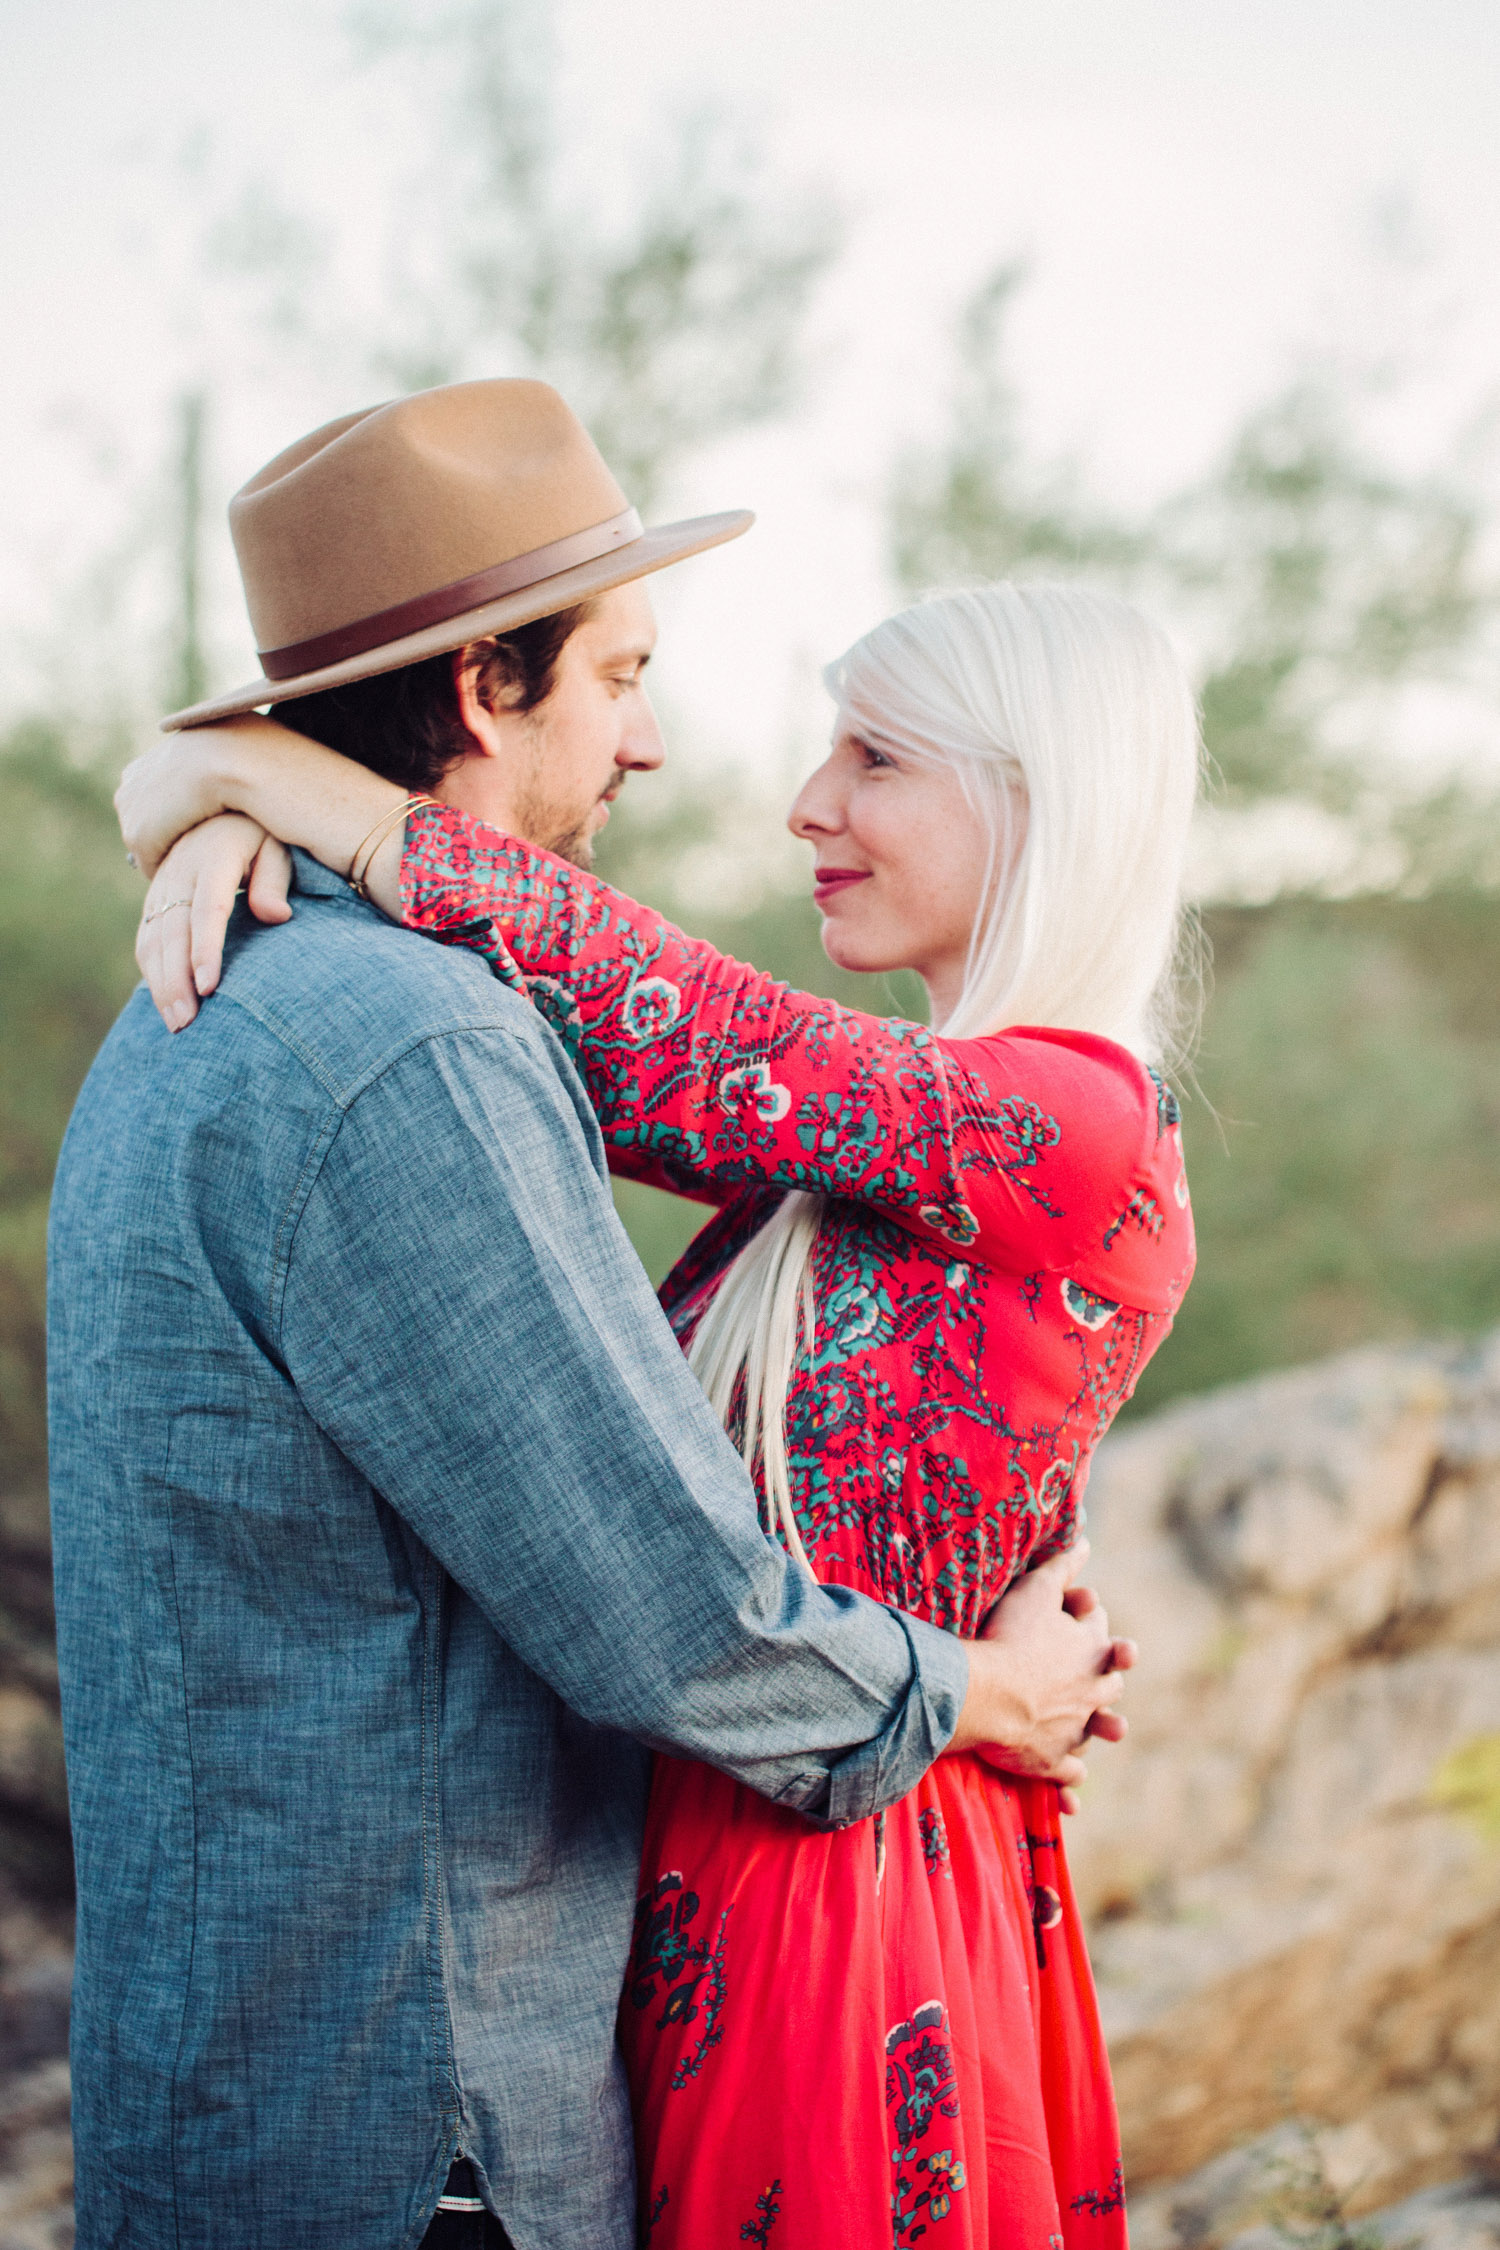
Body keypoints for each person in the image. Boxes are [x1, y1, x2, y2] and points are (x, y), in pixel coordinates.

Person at [58, 379, 1132, 2250]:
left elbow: (714, 1064)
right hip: (418, 2127)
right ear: (488, 685)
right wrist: (988, 1686)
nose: (652, 746)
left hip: (229, 2085)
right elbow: (683, 1622)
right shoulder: (416, 1049)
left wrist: (250, 794)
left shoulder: (193, 1010)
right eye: (621, 674)